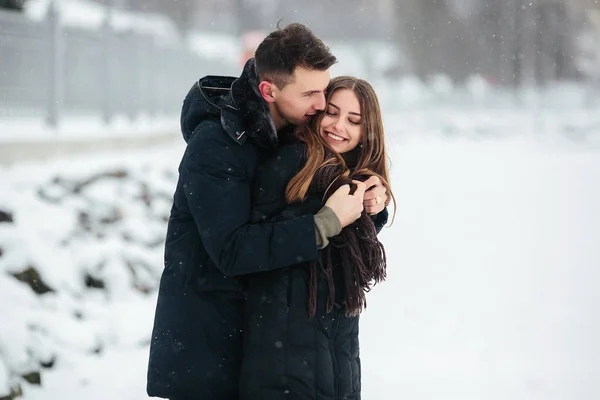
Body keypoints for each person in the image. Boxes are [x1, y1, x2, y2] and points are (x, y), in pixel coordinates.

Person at [146, 24, 388, 399]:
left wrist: (369, 206)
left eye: (323, 90)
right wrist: (327, 222)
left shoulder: (289, 131)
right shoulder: (216, 145)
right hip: (209, 348)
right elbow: (233, 249)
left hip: (259, 341)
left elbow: (308, 206)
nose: (322, 105)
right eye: (311, 93)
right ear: (269, 91)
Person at [240, 76, 394, 399]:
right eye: (332, 112)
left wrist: (369, 211)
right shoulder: (290, 162)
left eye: (354, 121)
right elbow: (256, 245)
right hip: (285, 368)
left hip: (337, 365)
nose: (338, 126)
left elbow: (336, 255)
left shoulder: (352, 181)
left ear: (368, 133)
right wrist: (329, 218)